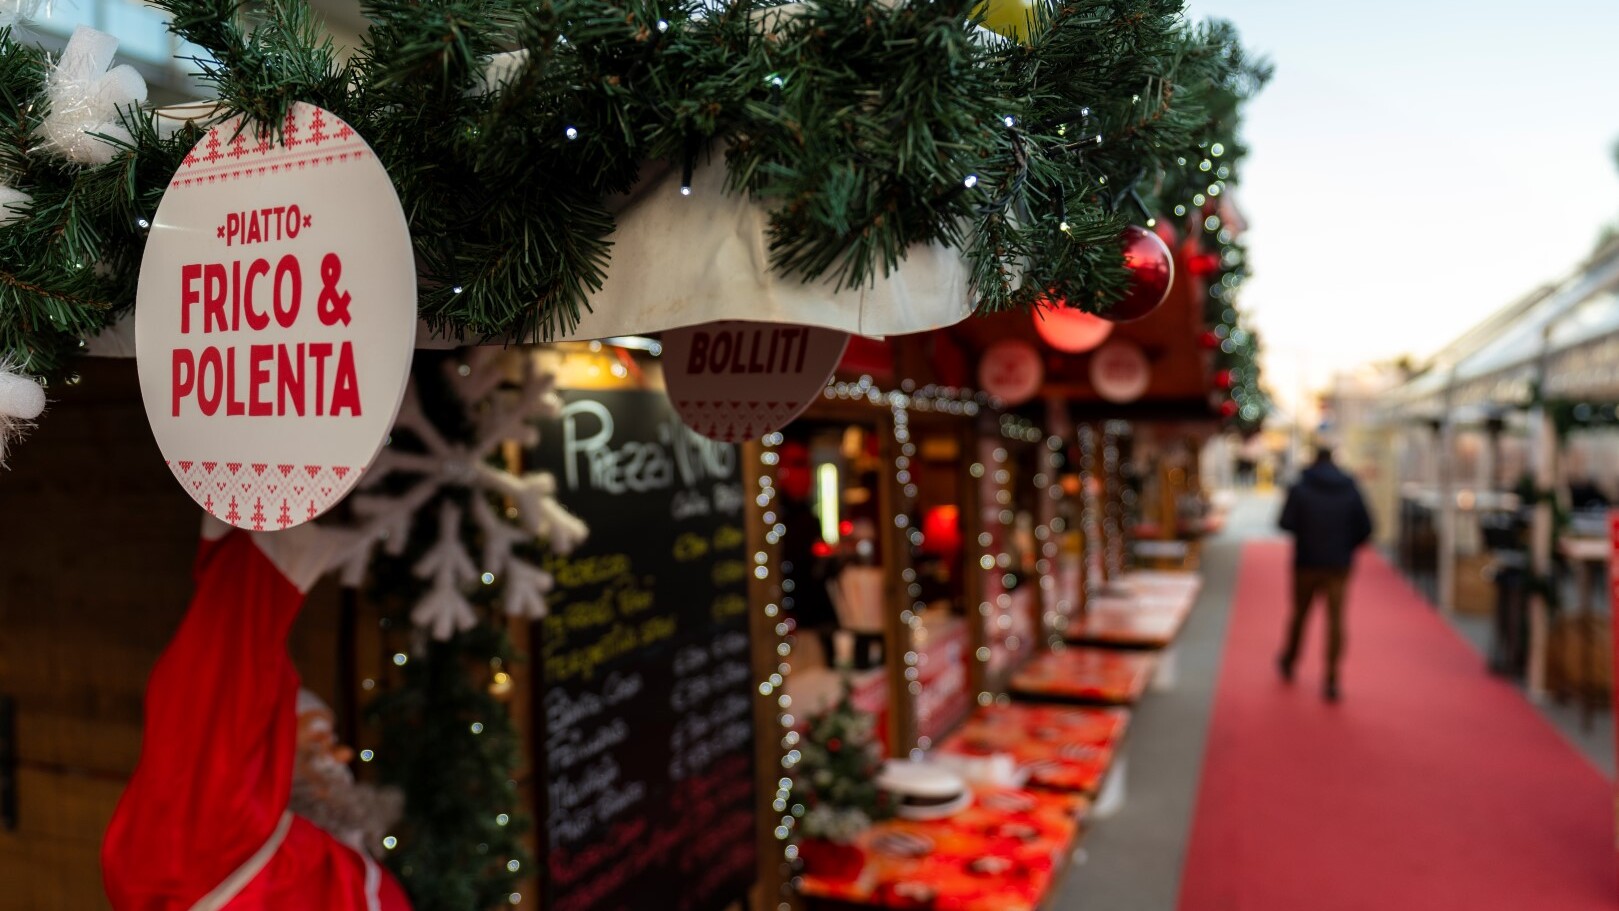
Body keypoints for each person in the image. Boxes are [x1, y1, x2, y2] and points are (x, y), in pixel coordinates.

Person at [103, 518, 411, 910]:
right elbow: (215, 703)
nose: (343, 757)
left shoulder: (339, 864)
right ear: (267, 763)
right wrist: (258, 566)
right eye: (318, 741)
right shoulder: (222, 842)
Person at [1277, 436, 1373, 702]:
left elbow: (1284, 522)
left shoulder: (1300, 487)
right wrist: (1344, 545)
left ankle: (1290, 659)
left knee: (1300, 614)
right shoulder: (1350, 487)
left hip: (1306, 562)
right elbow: (1366, 528)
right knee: (1336, 620)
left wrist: (1307, 533)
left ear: (1313, 460)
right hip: (1338, 565)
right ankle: (1331, 676)